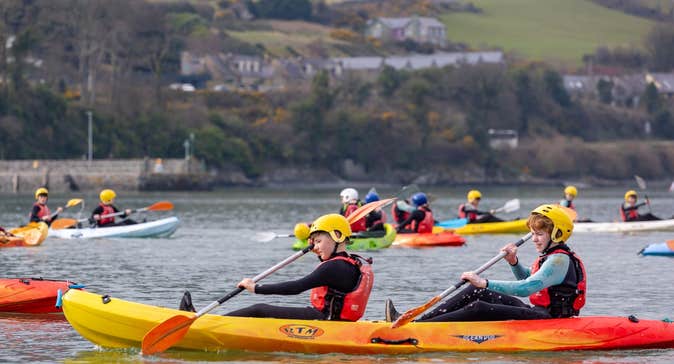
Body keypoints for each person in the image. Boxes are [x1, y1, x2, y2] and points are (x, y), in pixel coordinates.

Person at [385, 204, 586, 322]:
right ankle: (418, 321)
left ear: (557, 234)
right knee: (477, 292)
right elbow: (532, 280)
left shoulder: (560, 260)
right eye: (532, 234)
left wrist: (485, 282)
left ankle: (419, 328)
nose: (534, 239)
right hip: (539, 312)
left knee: (479, 306)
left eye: (539, 234)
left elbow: (526, 288)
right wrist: (514, 262)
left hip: (550, 320)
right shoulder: (550, 256)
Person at [206, 214, 373, 320]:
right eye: (313, 242)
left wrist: (256, 288)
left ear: (337, 236)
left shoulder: (333, 267)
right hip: (329, 317)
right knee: (262, 310)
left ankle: (209, 323)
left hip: (323, 319)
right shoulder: (346, 263)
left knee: (260, 309)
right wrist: (320, 251)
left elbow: (296, 287)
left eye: (319, 241)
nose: (316, 246)